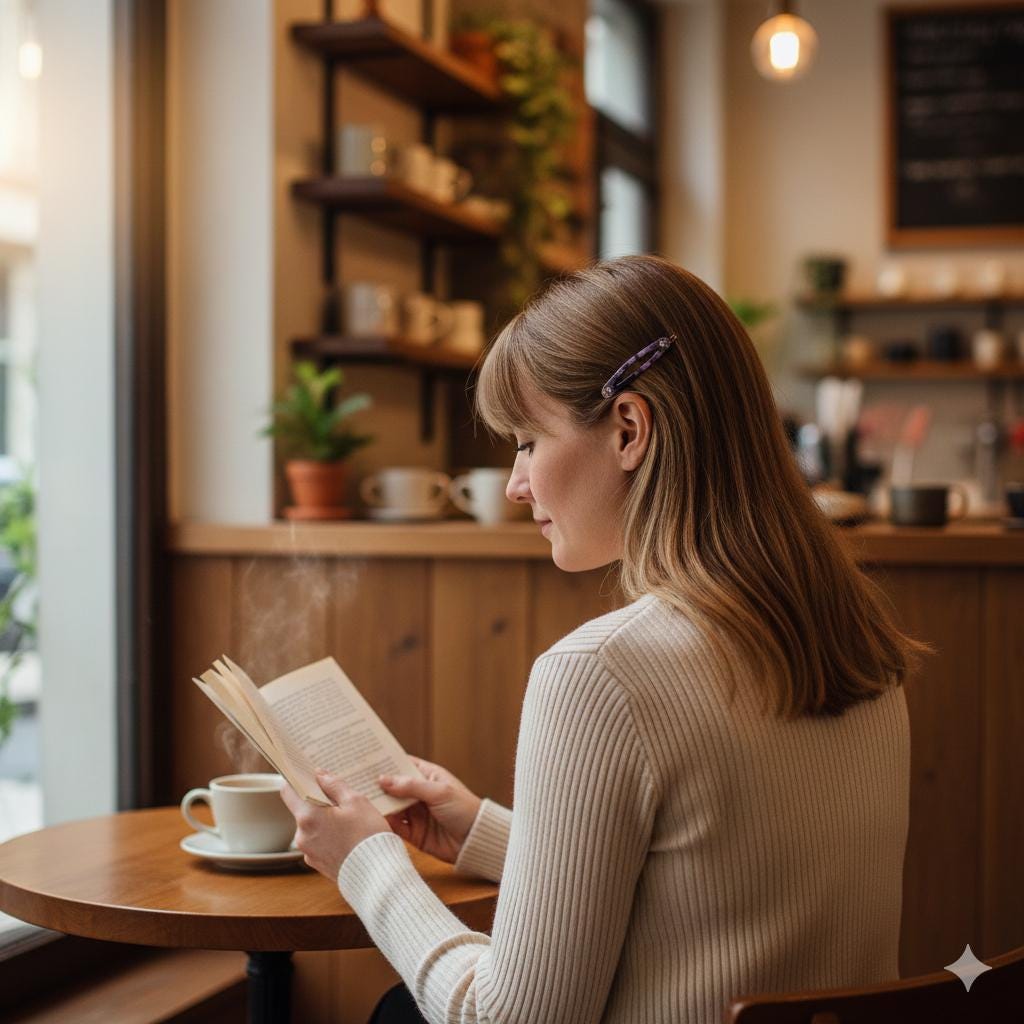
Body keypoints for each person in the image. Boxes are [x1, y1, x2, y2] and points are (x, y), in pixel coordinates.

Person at [281, 255, 926, 1024]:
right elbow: (708, 883)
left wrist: (368, 864)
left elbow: (513, 1021)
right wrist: (483, 834)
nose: (518, 483)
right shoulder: (853, 639)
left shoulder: (600, 675)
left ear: (629, 428)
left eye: (526, 440)